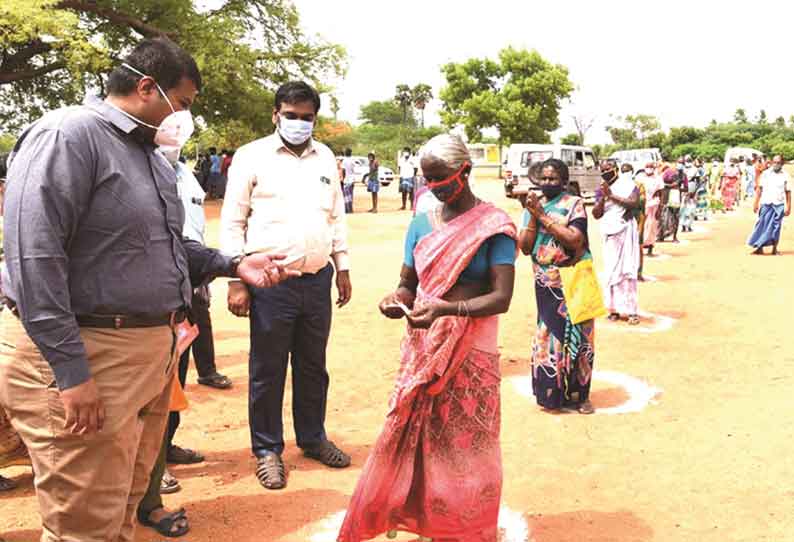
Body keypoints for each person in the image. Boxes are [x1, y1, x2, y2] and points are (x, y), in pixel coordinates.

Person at [0, 38, 295, 542]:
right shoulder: (67, 136)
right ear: (145, 87)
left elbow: (163, 246)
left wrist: (233, 263)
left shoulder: (150, 156)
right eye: (182, 104)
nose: (184, 117)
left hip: (144, 357)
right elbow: (34, 258)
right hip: (85, 354)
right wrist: (71, 373)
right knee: (83, 524)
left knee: (120, 508)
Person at [338, 133, 516, 542]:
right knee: (417, 436)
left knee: (468, 445)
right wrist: (396, 298)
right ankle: (423, 516)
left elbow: (501, 297)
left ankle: (466, 527)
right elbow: (408, 283)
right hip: (424, 348)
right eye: (428, 179)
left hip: (471, 352)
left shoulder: (493, 227)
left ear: (465, 172)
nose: (434, 187)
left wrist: (447, 310)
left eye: (441, 179)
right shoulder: (421, 223)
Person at [221, 81, 353, 491]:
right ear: (275, 114)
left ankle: (312, 438)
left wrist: (342, 266)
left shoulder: (326, 157)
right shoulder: (251, 156)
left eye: (307, 117)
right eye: (290, 115)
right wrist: (236, 279)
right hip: (269, 283)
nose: (298, 123)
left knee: (313, 366)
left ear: (316, 118)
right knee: (267, 368)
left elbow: (336, 216)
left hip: (317, 281)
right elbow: (232, 220)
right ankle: (266, 450)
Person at [518, 158, 595, 414]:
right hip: (546, 282)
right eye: (544, 178)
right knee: (548, 337)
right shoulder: (532, 206)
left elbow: (574, 240)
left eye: (553, 179)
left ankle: (580, 395)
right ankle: (552, 395)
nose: (547, 183)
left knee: (579, 337)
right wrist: (532, 215)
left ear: (563, 181)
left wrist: (542, 216)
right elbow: (526, 246)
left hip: (573, 279)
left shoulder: (573, 204)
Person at [594, 159, 641, 325]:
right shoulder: (601, 189)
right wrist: (601, 198)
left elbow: (634, 203)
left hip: (625, 230)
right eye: (602, 170)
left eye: (608, 169)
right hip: (609, 232)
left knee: (627, 271)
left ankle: (631, 311)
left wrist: (611, 196)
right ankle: (613, 309)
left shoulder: (628, 185)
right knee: (611, 271)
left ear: (615, 169)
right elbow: (596, 214)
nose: (605, 172)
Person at [748, 155, 791, 255]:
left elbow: (788, 192)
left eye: (779, 162)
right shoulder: (766, 174)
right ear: (771, 162)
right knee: (761, 225)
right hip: (766, 203)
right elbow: (760, 189)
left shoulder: (785, 175)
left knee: (776, 228)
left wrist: (789, 207)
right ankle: (759, 248)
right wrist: (756, 203)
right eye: (775, 162)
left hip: (778, 204)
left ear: (782, 164)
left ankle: (774, 249)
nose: (776, 164)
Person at [637, 162, 663, 256]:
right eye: (647, 167)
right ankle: (640, 247)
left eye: (651, 167)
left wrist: (660, 208)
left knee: (652, 226)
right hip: (642, 205)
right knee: (641, 226)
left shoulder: (658, 178)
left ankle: (650, 247)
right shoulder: (640, 178)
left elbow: (661, 192)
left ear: (654, 168)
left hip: (653, 204)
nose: (649, 168)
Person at [659, 166, 682, 242]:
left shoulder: (680, 174)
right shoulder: (665, 174)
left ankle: (671, 236)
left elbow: (679, 185)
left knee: (673, 216)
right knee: (663, 216)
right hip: (669, 195)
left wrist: (666, 185)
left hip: (672, 195)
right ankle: (664, 236)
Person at [341, 148, 356, 214]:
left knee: (346, 195)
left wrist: (343, 178)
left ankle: (347, 209)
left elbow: (343, 170)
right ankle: (351, 209)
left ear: (346, 153)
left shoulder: (344, 161)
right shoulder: (353, 160)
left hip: (346, 180)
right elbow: (353, 170)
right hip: (352, 179)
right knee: (351, 194)